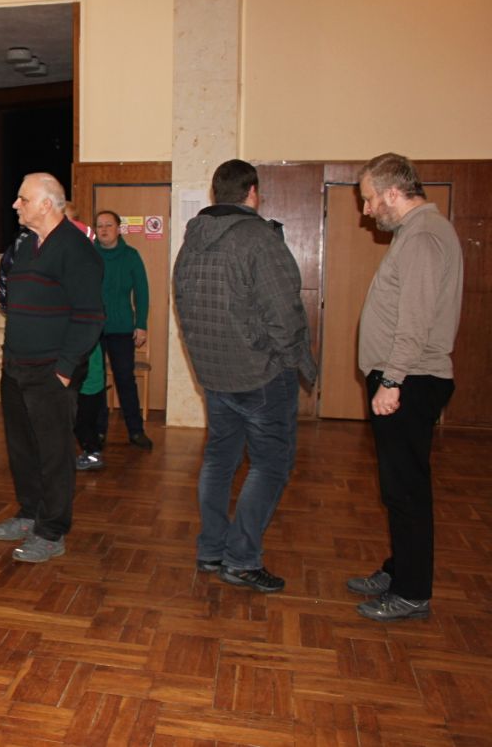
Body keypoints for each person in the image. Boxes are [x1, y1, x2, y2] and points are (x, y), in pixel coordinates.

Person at [173, 159, 317, 594]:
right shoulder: (258, 238)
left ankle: (212, 549)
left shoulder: (191, 242)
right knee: (271, 465)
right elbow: (285, 313)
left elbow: (184, 307)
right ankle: (240, 559)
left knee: (220, 460)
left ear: (216, 193)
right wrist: (292, 361)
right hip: (262, 375)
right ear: (252, 192)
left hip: (215, 374)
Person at [349, 153, 462, 622]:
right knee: (399, 486)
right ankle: (400, 570)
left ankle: (412, 592)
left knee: (406, 490)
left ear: (393, 193)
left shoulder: (423, 237)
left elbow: (414, 321)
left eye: (370, 199)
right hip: (406, 377)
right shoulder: (417, 233)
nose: (367, 210)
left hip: (410, 379)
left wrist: (392, 380)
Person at [0, 174, 104, 562]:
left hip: (51, 371)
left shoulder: (76, 248)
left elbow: (90, 316)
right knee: (21, 449)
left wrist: (65, 369)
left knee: (54, 454)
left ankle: (52, 531)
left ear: (46, 204)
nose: (15, 205)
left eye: (22, 199)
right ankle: (29, 513)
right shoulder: (25, 245)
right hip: (16, 367)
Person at [93, 210, 153, 450]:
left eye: (108, 225)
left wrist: (141, 324)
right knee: (95, 382)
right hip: (93, 329)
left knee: (125, 380)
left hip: (121, 329)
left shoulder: (131, 256)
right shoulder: (89, 254)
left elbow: (142, 293)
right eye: (99, 226)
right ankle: (97, 432)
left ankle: (136, 431)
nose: (104, 229)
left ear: (119, 229)